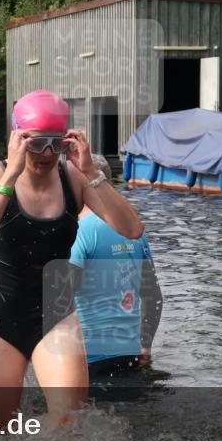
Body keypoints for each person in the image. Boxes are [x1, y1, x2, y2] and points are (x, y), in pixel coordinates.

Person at [0, 89, 144, 426]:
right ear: (17, 139)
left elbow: (132, 229)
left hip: (56, 313)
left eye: (56, 143)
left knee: (70, 424)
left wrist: (90, 171)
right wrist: (10, 176)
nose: (47, 153)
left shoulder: (73, 178)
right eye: (36, 143)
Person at [69, 154, 163, 377]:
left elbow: (62, 299)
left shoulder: (78, 232)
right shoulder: (135, 232)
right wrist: (145, 346)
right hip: (129, 354)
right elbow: (153, 297)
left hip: (87, 358)